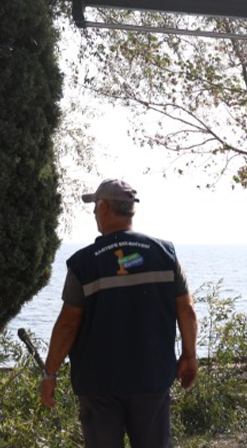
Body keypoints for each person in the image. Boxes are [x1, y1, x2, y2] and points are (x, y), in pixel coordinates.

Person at [39, 179, 198, 448]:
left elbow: (68, 324)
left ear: (103, 208)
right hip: (151, 377)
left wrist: (50, 374)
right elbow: (186, 309)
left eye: (94, 207)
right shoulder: (164, 254)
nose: (93, 214)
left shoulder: (84, 263)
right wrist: (190, 356)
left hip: (100, 383)